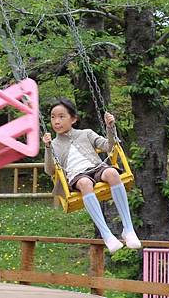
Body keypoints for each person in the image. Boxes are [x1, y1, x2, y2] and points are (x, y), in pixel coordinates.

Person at [43, 97, 141, 254]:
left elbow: (109, 146)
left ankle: (128, 229)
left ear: (73, 119)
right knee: (85, 184)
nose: (56, 121)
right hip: (77, 176)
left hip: (96, 168)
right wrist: (47, 147)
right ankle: (106, 234)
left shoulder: (86, 134)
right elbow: (50, 170)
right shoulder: (54, 144)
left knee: (112, 172)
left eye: (61, 116)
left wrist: (110, 128)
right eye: (53, 117)